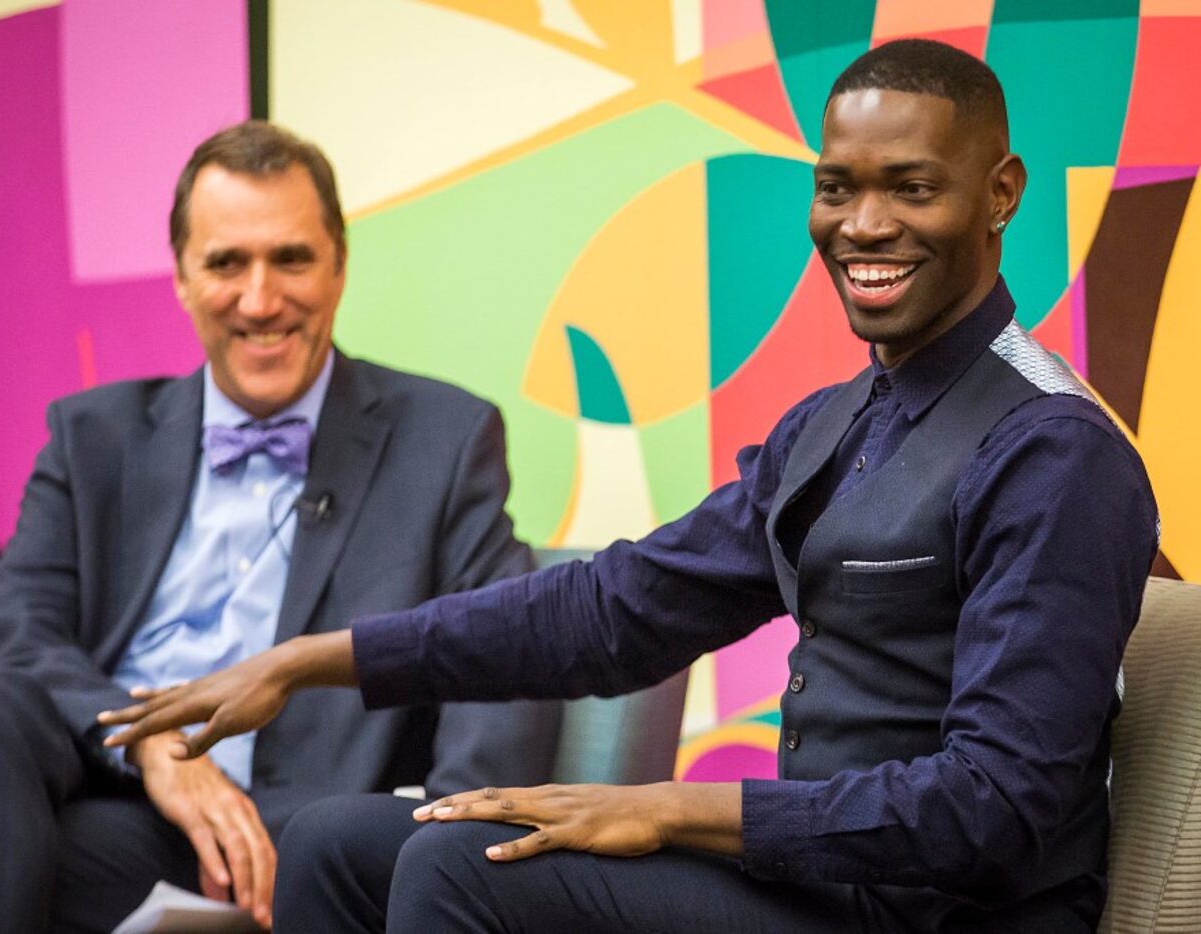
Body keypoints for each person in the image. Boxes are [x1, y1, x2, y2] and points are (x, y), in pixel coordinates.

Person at [100, 40, 1158, 932]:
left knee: (463, 867)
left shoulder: (1051, 449)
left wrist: (669, 809)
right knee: (337, 839)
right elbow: (616, 608)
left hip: (933, 909)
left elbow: (993, 808)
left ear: (999, 193)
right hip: (818, 883)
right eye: (836, 187)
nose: (862, 224)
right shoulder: (832, 425)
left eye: (909, 187)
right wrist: (311, 660)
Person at [0, 121, 559, 933]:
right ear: (183, 278)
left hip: (295, 839)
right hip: (108, 797)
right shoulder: (94, 437)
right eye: (227, 263)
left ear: (338, 265)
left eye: (290, 258)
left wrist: (431, 869)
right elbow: (5, 635)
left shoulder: (445, 439)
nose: (260, 300)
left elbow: (504, 657)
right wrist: (148, 746)